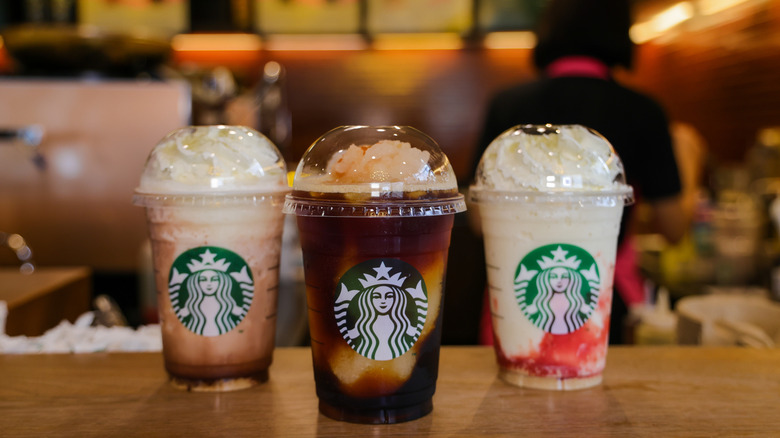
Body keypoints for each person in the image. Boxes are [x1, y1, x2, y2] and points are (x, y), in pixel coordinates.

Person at [471, 0, 689, 344]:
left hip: (515, 300)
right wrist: (690, 158)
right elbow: (674, 227)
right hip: (605, 301)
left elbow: (480, 221)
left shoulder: (507, 104)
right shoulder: (643, 111)